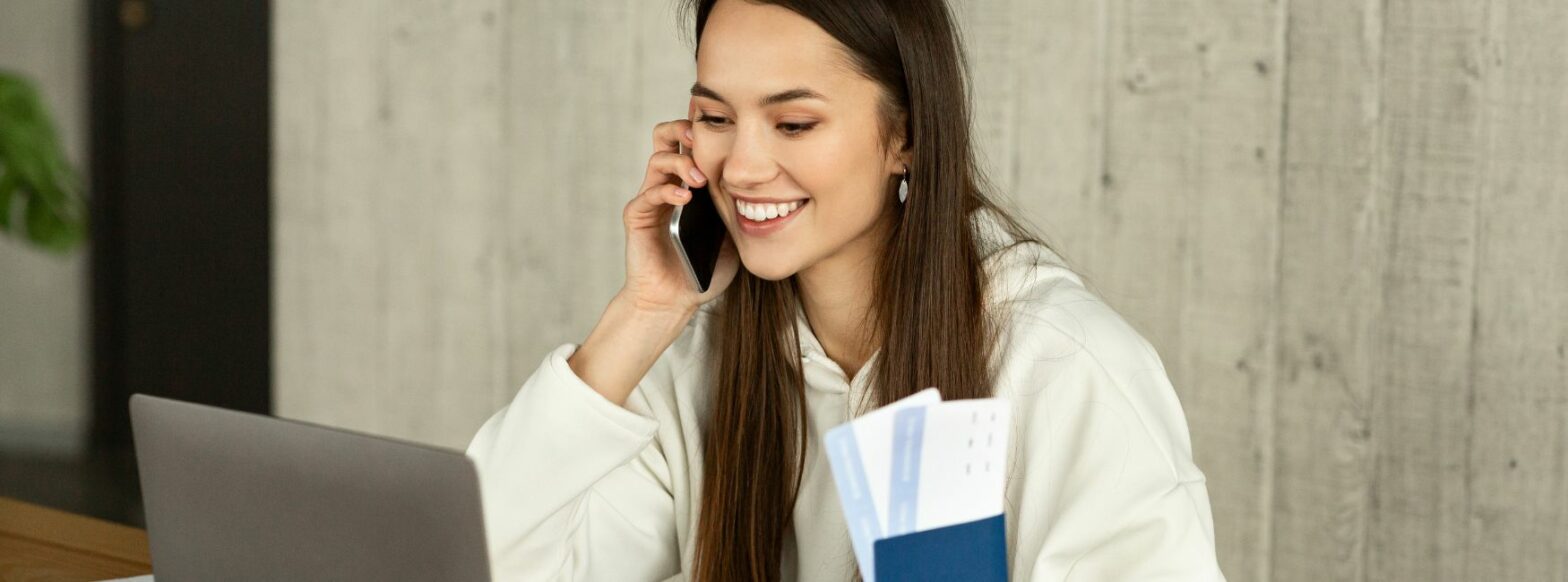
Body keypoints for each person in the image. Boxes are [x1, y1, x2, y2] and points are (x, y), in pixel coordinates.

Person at [466, 0, 1226, 579]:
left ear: (906, 137)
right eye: (714, 117)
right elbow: (483, 561)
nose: (740, 167)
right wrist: (643, 313)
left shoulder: (1060, 366)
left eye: (793, 123)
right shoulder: (698, 361)